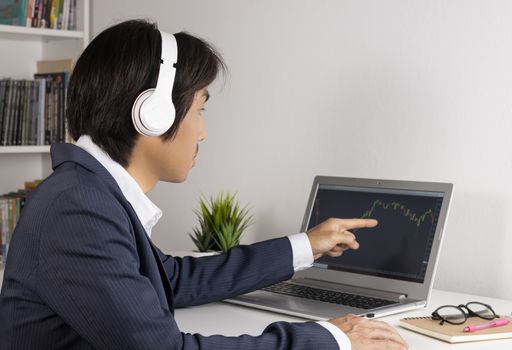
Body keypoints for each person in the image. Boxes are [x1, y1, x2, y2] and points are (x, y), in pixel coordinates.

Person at [0, 20, 408, 350]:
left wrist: (305, 245)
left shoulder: (89, 194)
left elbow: (172, 279)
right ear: (153, 114)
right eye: (200, 109)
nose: (203, 132)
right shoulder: (78, 210)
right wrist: (332, 338)